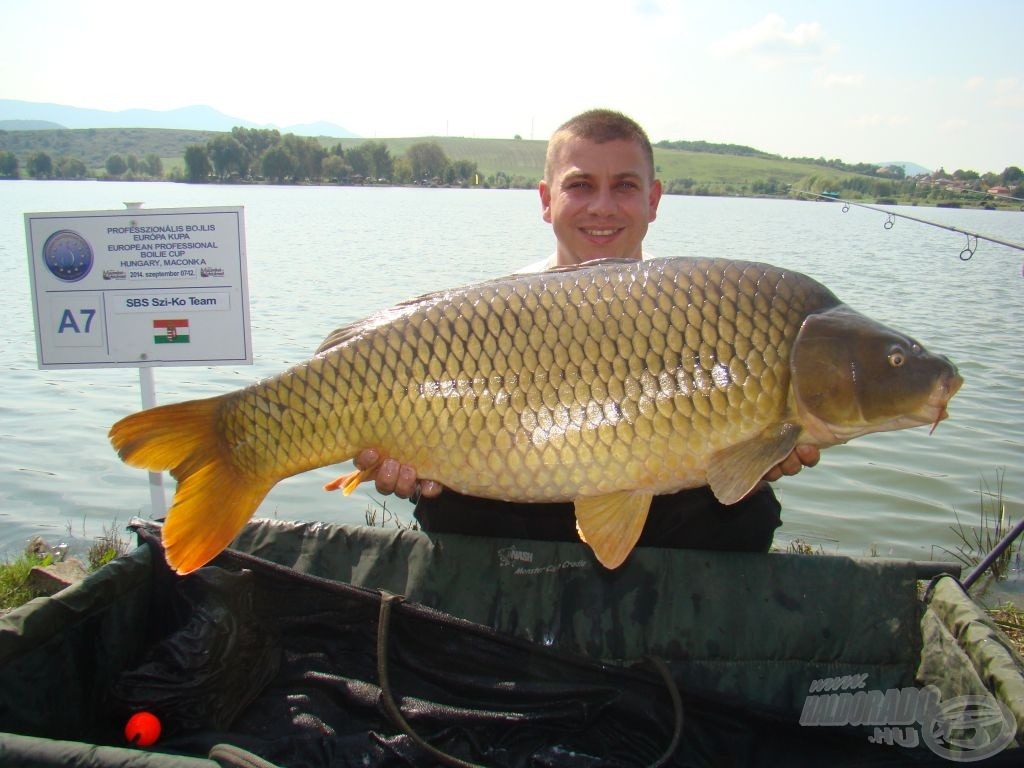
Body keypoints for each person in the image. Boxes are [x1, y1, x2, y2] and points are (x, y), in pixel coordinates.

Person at [348, 109, 819, 552]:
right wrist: (412, 471)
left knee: (747, 510)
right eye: (580, 185)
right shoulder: (494, 311)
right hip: (515, 501)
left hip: (660, 510)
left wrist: (756, 457)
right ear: (546, 201)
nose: (602, 206)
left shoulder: (701, 308)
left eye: (625, 186)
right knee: (446, 501)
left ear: (653, 200)